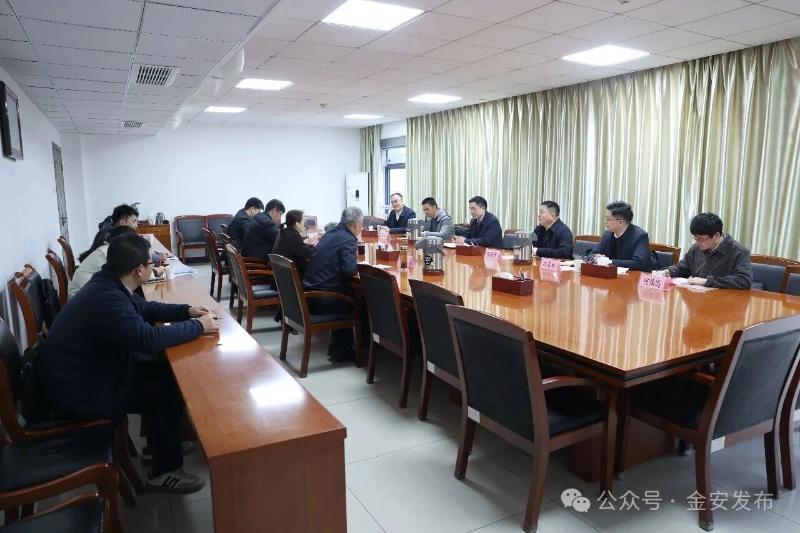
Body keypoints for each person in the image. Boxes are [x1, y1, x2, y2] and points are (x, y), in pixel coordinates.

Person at [41, 233, 218, 493]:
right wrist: (198, 327)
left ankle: (158, 446)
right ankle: (164, 472)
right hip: (83, 391)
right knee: (167, 392)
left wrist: (187, 311)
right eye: (151, 262)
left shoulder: (109, 283)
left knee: (164, 373)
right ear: (140, 270)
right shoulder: (108, 298)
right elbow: (147, 339)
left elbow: (145, 309)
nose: (153, 265)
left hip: (94, 371)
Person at [303, 206, 362, 362]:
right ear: (357, 224)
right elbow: (349, 270)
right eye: (361, 224)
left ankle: (339, 347)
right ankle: (343, 350)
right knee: (360, 302)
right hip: (322, 299)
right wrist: (362, 266)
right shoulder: (349, 239)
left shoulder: (329, 234)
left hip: (308, 295)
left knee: (350, 293)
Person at [661, 212, 752, 289]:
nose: (697, 242)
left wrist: (707, 281)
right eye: (695, 238)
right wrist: (669, 271)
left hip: (725, 300)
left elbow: (744, 280)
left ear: (717, 235)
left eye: (701, 238)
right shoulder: (696, 248)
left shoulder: (738, 252)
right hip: (698, 297)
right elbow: (684, 268)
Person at [69, 225, 137, 298]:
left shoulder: (107, 248)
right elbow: (123, 278)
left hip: (83, 292)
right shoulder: (108, 252)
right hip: (80, 296)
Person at [591, 201, 654, 271]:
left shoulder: (640, 236)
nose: (605, 222)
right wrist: (596, 258)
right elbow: (592, 253)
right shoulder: (607, 234)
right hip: (612, 274)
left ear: (621, 222)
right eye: (605, 218)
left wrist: (610, 261)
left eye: (608, 219)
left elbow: (639, 263)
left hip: (635, 275)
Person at [273, 209, 315, 277]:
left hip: (280, 275)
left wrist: (307, 244)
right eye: (304, 222)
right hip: (290, 278)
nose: (306, 225)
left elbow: (299, 249)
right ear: (297, 224)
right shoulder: (293, 236)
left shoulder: (284, 232)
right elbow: (307, 254)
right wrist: (317, 245)